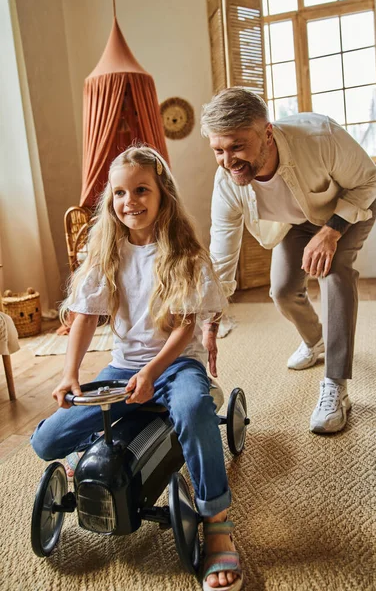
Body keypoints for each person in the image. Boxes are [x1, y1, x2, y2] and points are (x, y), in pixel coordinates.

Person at [30, 145, 243, 591]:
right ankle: (87, 447)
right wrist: (70, 374)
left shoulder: (184, 254)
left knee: (193, 410)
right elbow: (85, 317)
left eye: (141, 190)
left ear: (162, 192)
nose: (130, 202)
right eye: (120, 193)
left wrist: (151, 374)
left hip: (176, 365)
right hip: (121, 369)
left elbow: (185, 329)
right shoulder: (106, 249)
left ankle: (217, 523)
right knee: (47, 440)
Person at [201, 87, 376, 435]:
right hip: (296, 220)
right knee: (282, 290)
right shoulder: (226, 182)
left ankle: (336, 385)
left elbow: (368, 182)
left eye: (237, 146)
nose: (227, 160)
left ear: (267, 132)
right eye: (218, 150)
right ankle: (316, 341)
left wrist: (331, 232)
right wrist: (211, 322)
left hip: (350, 205)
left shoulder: (319, 136)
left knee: (335, 272)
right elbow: (221, 257)